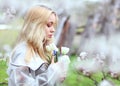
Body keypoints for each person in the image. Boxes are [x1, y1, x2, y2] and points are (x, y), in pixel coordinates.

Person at [7, 5, 70, 86]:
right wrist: (54, 71)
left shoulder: (42, 50)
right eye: (48, 25)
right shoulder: (22, 53)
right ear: (35, 25)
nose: (53, 30)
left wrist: (57, 77)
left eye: (53, 25)